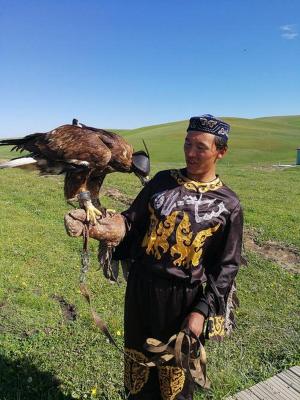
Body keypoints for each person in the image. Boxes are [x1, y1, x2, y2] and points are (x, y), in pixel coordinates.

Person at [65, 114, 243, 400]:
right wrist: (102, 228)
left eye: (200, 147)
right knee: (136, 371)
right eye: (187, 144)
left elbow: (227, 267)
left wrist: (201, 312)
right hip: (140, 289)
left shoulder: (228, 204)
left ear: (221, 151)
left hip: (182, 301)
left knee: (174, 379)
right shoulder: (161, 181)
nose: (190, 153)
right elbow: (131, 221)